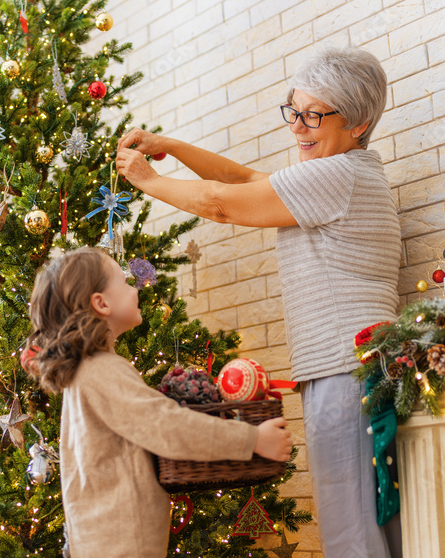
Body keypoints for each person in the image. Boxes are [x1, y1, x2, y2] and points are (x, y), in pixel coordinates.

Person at [115, 44, 403, 557]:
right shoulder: (348, 173)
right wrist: (171, 146)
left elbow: (222, 205)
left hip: (344, 370)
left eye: (313, 115)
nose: (297, 126)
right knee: (372, 525)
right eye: (293, 110)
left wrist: (148, 181)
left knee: (349, 532)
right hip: (358, 368)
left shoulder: (335, 175)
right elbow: (245, 180)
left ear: (358, 123)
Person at [26, 247, 292, 558]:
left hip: (101, 539)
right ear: (101, 303)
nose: (134, 287)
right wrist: (253, 439)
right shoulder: (102, 370)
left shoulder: (87, 372)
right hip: (122, 544)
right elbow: (167, 426)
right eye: (125, 282)